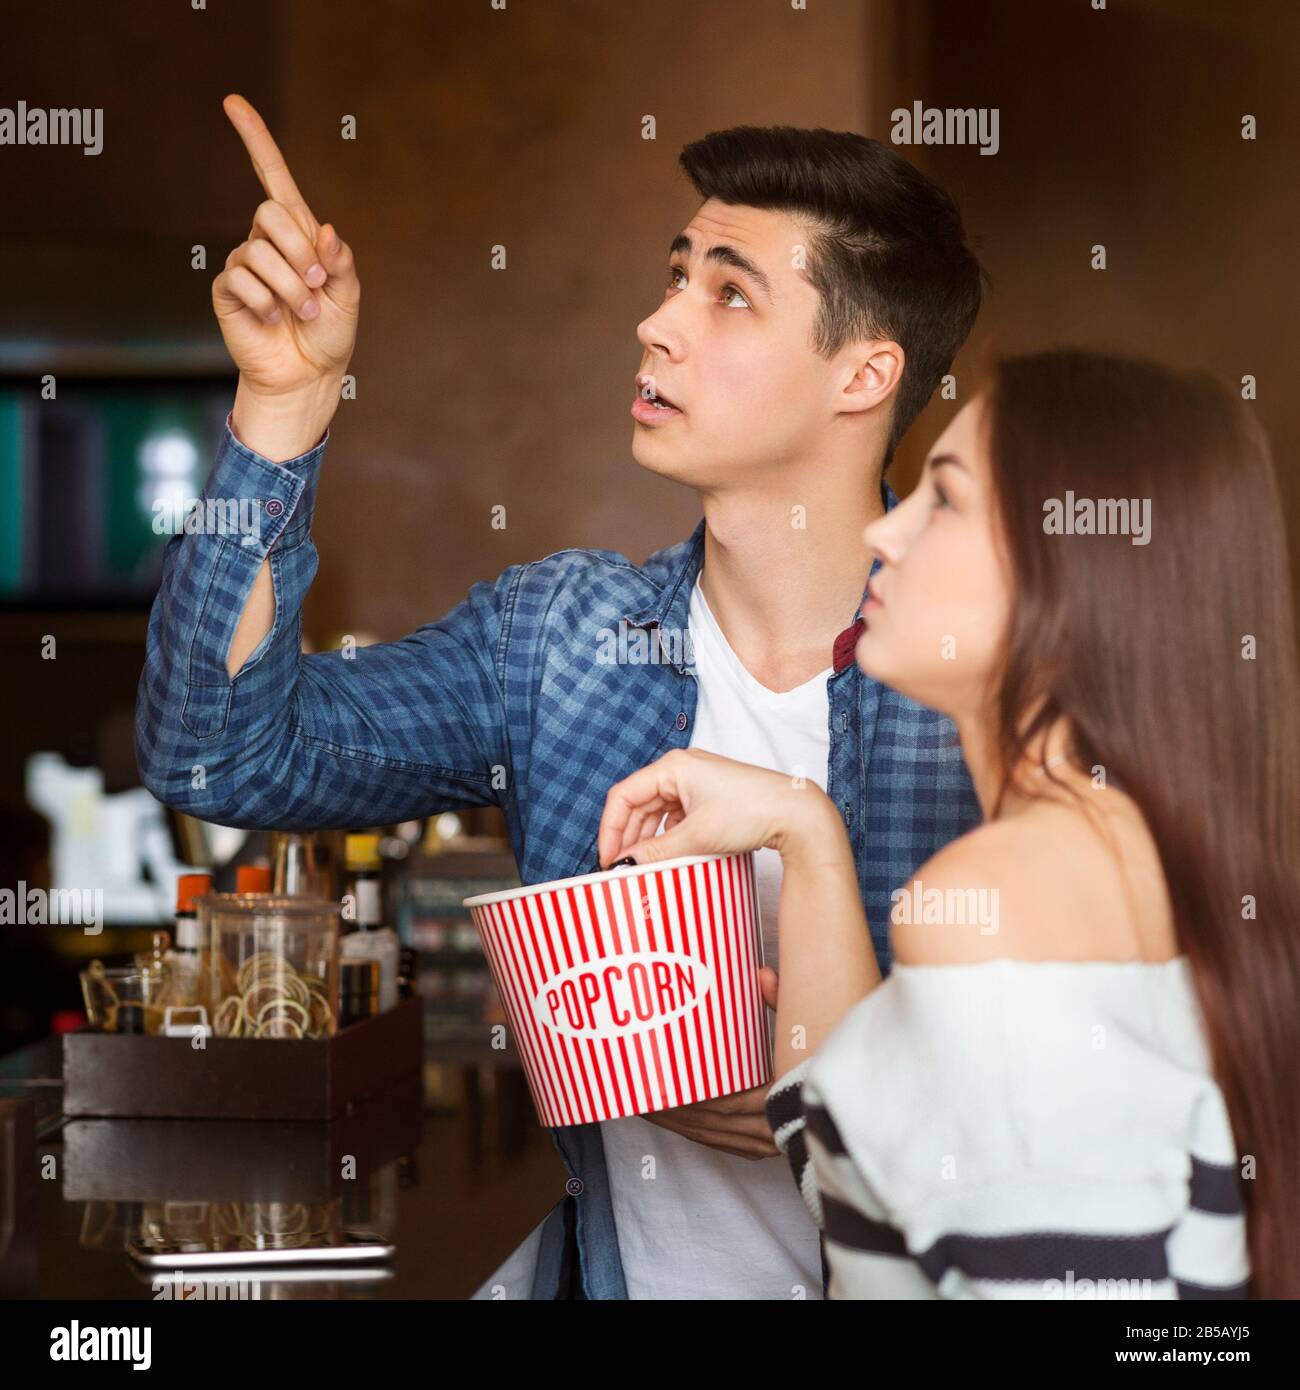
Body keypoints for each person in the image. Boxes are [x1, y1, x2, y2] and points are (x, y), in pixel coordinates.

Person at [135, 96, 987, 1299]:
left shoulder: (985, 685)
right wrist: (282, 406)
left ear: (866, 373)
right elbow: (218, 758)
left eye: (728, 293)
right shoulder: (559, 635)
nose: (655, 323)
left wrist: (843, 1097)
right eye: (674, 275)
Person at [597, 349, 1300, 1299]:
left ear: (1078, 566)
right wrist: (801, 826)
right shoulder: (1128, 850)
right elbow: (875, 1199)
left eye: (948, 500)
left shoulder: (1008, 900)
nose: (886, 530)